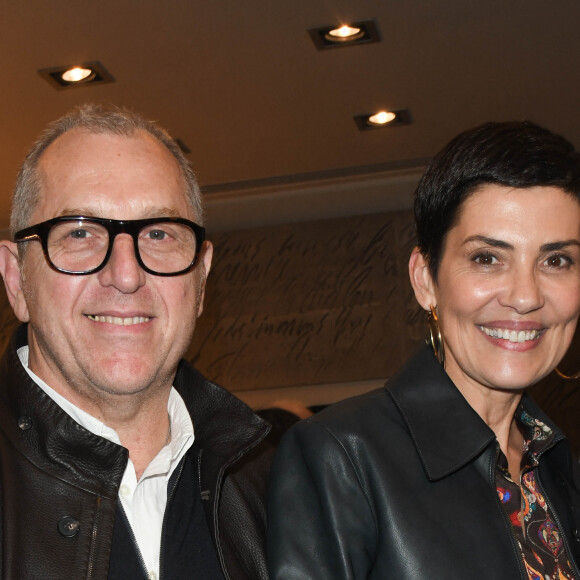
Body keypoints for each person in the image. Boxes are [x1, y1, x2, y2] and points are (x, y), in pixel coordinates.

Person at [267, 121, 580, 579]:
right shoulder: (341, 456)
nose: (525, 295)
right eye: (487, 258)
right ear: (425, 279)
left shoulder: (559, 471)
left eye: (556, 260)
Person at [0, 103, 273, 579]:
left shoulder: (277, 487)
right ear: (16, 279)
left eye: (160, 234)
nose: (125, 274)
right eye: (80, 232)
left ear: (202, 278)